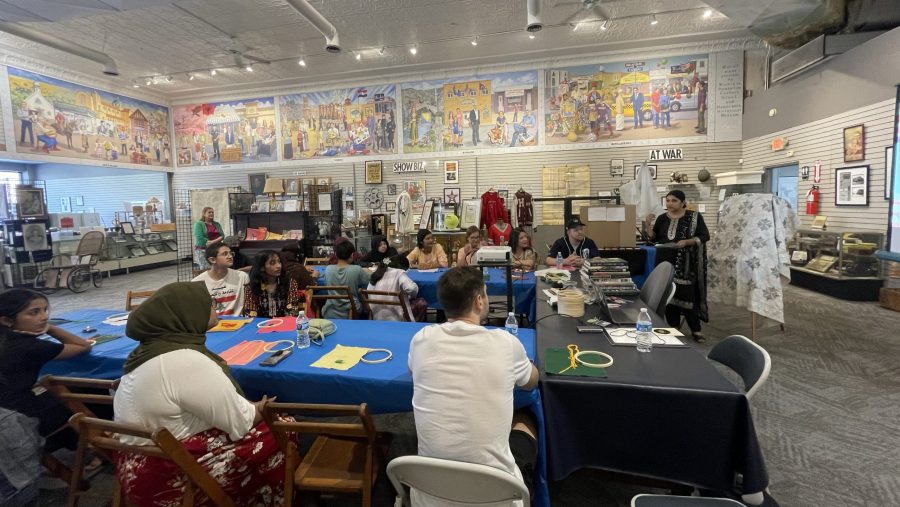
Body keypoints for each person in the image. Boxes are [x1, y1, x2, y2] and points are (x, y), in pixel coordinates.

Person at [113, 282, 284, 506]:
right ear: (185, 313)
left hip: (136, 466)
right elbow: (240, 421)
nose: (214, 307)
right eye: (209, 303)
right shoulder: (185, 360)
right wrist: (262, 409)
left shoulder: (146, 354)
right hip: (173, 475)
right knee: (282, 427)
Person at [408, 268, 539, 505]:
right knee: (526, 418)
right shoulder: (506, 343)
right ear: (479, 301)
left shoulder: (421, 339)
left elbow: (411, 368)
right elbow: (531, 382)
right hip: (497, 495)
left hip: (430, 494)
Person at [0, 289, 93, 453]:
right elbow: (82, 346)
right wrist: (50, 329)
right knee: (87, 392)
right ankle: (91, 445)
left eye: (45, 310)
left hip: (7, 406)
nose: (43, 317)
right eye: (34, 312)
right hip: (18, 414)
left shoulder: (9, 340)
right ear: (7, 320)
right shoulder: (29, 346)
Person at [643, 190, 710, 342]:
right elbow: (653, 239)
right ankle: (673, 327)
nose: (669, 204)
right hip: (665, 260)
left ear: (682, 202)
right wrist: (648, 225)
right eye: (667, 201)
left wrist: (687, 242)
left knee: (687, 295)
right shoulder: (662, 218)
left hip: (685, 262)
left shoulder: (694, 217)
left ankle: (696, 329)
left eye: (673, 201)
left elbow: (705, 236)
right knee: (668, 295)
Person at [192, 243, 249, 316]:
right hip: (213, 325)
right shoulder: (197, 283)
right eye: (225, 254)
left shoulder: (242, 277)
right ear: (212, 260)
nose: (230, 256)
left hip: (239, 323)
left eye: (231, 253)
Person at [243, 250, 302, 318]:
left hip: (284, 323)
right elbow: (250, 313)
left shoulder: (289, 283)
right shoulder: (251, 287)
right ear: (262, 267)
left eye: (279, 262)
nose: (279, 266)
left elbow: (292, 311)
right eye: (272, 263)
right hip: (260, 324)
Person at [366, 255, 426, 321]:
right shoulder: (399, 272)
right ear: (402, 267)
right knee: (421, 302)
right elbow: (412, 288)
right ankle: (413, 328)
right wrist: (411, 296)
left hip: (376, 317)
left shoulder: (376, 274)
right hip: (396, 316)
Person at [322, 240, 370, 319]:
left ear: (336, 254)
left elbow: (325, 284)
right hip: (352, 310)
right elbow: (369, 281)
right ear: (351, 255)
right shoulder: (357, 269)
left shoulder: (328, 269)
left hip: (330, 311)